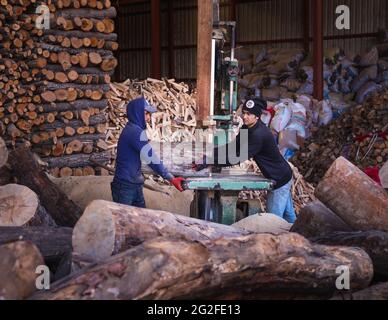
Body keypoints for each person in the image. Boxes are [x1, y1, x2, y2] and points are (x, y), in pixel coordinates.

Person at [193, 96, 296, 223]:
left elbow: (238, 157)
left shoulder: (259, 134)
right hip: (281, 174)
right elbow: (233, 146)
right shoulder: (247, 128)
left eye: (249, 114)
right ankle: (301, 239)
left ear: (257, 116)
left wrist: (209, 161)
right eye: (244, 113)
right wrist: (211, 153)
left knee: (274, 222)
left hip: (280, 178)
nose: (245, 117)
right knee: (289, 217)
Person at [111, 97, 185, 208]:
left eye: (149, 114)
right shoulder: (134, 132)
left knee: (140, 221)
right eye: (146, 114)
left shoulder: (133, 130)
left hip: (134, 184)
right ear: (137, 113)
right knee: (124, 222)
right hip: (125, 187)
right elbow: (151, 158)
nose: (148, 118)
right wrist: (171, 178)